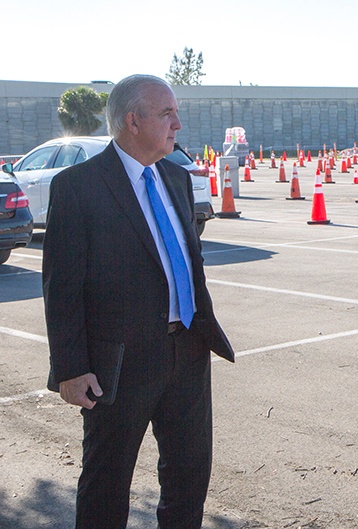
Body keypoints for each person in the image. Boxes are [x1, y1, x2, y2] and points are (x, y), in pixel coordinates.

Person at [43, 74, 235, 528]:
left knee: (189, 478)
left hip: (187, 350)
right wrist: (70, 368)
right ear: (133, 121)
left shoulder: (175, 177)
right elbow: (62, 287)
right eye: (167, 113)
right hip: (120, 362)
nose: (178, 124)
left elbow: (189, 259)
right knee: (107, 486)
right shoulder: (79, 187)